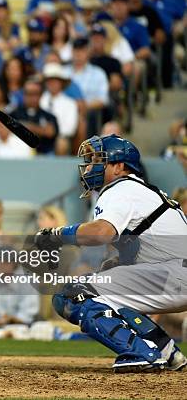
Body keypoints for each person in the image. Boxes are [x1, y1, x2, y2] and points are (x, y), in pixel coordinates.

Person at [33, 134, 187, 372]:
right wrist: (116, 264)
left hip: (175, 275)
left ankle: (142, 354)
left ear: (119, 167)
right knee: (108, 293)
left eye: (98, 159)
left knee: (72, 294)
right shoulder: (138, 190)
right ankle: (166, 352)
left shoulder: (121, 188)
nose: (90, 166)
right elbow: (146, 248)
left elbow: (100, 233)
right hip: (175, 274)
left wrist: (58, 234)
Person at [10, 79, 59, 155]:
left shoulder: (49, 116)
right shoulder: (14, 113)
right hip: (18, 154)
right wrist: (40, 130)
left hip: (44, 154)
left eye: (35, 93)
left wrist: (24, 126)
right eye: (28, 93)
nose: (31, 97)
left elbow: (50, 132)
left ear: (40, 95)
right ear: (24, 95)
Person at [40, 63, 79, 155]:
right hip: (40, 136)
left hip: (58, 138)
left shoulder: (70, 103)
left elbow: (70, 129)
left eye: (55, 80)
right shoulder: (40, 99)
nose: (52, 83)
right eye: (49, 80)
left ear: (61, 83)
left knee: (62, 142)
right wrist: (43, 131)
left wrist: (52, 131)